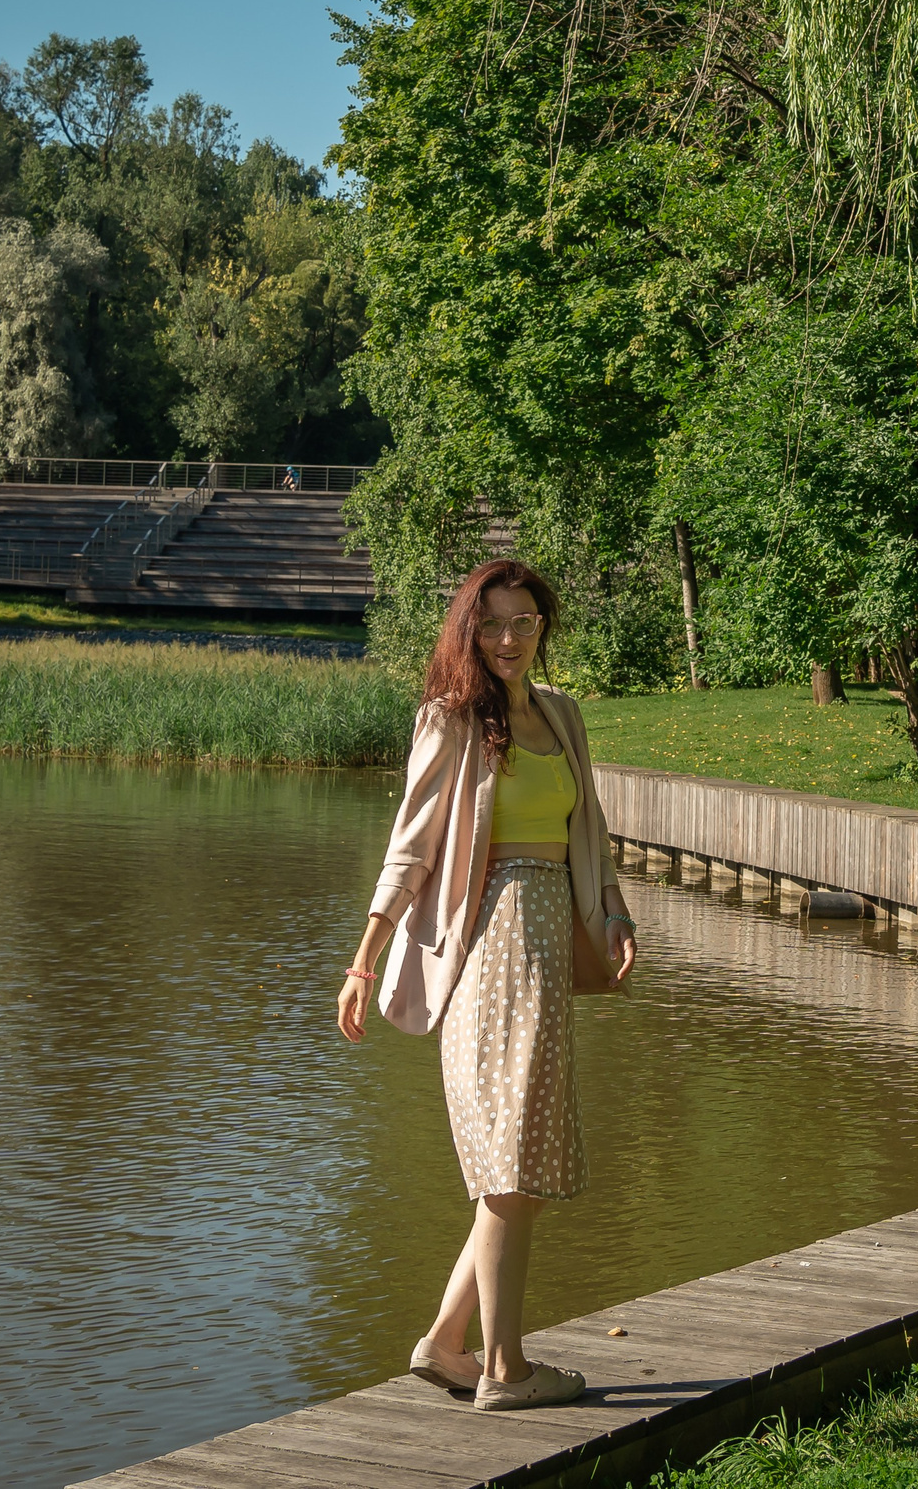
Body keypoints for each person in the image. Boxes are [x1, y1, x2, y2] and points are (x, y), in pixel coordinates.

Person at [334, 558, 638, 1410]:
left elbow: (591, 829)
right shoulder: (451, 718)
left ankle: (444, 1340)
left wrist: (613, 912)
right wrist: (364, 958)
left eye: (524, 623)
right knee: (509, 1157)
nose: (508, 639)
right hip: (490, 947)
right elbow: (411, 846)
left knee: (522, 1154)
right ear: (471, 630)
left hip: (549, 942)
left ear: (544, 627)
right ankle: (504, 1369)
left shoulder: (563, 715)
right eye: (493, 624)